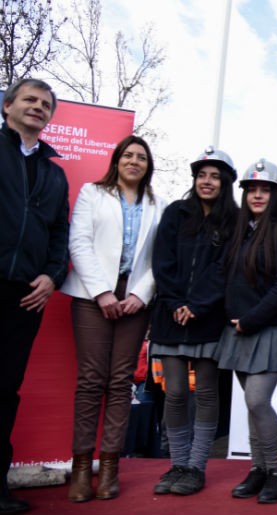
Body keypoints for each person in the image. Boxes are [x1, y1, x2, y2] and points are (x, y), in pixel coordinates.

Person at [62, 135, 166, 502]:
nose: (134, 161)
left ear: (147, 165)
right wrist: (102, 292)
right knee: (91, 380)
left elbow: (159, 258)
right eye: (128, 155)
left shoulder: (158, 204)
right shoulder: (93, 193)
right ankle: (80, 469)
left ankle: (109, 468)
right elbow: (79, 243)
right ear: (117, 160)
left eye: (141, 157)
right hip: (93, 295)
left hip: (135, 300)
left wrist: (140, 294)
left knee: (122, 382)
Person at [148, 147, 239, 495]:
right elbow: (162, 261)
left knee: (205, 391)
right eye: (202, 175)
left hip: (208, 318)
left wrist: (199, 305)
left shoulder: (233, 220)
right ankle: (177, 464)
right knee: (173, 392)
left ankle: (197, 466)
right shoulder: (175, 213)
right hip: (170, 316)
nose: (207, 181)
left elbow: (226, 269)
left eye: (215, 176)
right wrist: (174, 302)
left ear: (225, 182)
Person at [0, 78, 69, 515]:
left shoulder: (54, 173)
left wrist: (51, 276)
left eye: (45, 104)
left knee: (5, 390)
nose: (37, 108)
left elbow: (59, 234)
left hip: (25, 296)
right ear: (8, 106)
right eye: (29, 99)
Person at [216, 159, 277, 504]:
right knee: (251, 407)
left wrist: (250, 319)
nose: (257, 195)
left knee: (257, 400)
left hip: (269, 329)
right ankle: (258, 468)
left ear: (276, 194)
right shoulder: (241, 231)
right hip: (237, 332)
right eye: (252, 189)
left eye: (265, 189)